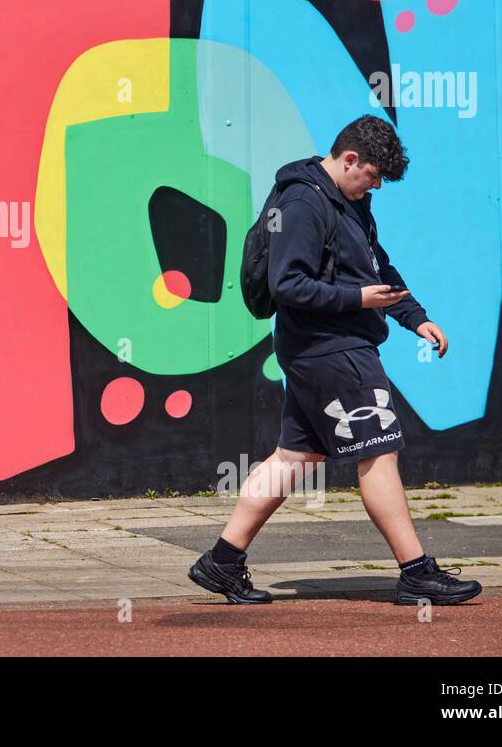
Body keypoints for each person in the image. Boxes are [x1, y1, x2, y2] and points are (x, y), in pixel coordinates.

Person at [188, 115, 482, 606]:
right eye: (372, 175)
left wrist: (416, 318)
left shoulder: (351, 201)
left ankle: (221, 561)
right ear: (349, 159)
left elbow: (377, 268)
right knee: (379, 451)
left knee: (294, 457)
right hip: (332, 350)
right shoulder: (304, 203)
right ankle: (416, 573)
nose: (377, 185)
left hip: (323, 350)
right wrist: (357, 300)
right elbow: (287, 284)